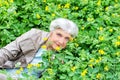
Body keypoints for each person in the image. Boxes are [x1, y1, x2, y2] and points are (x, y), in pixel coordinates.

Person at [0, 18, 79, 79]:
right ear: (51, 32)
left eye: (67, 38)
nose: (61, 41)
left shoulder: (63, 57)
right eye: (59, 35)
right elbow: (6, 52)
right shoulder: (34, 35)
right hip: (6, 74)